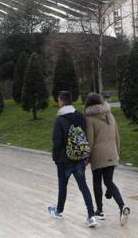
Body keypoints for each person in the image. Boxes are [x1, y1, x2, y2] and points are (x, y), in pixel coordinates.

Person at [47, 91, 98, 228]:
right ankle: (91, 215)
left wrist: (55, 157)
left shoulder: (59, 119)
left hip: (64, 160)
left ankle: (59, 211)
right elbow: (85, 135)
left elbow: (57, 142)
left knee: (63, 186)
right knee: (84, 187)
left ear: (61, 101)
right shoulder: (80, 116)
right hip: (79, 158)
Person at [84, 93, 130, 226]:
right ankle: (122, 207)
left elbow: (90, 141)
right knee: (109, 181)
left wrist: (87, 158)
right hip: (112, 153)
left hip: (98, 155)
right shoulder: (111, 116)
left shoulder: (90, 119)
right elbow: (117, 137)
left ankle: (100, 211)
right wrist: (117, 154)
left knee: (97, 182)